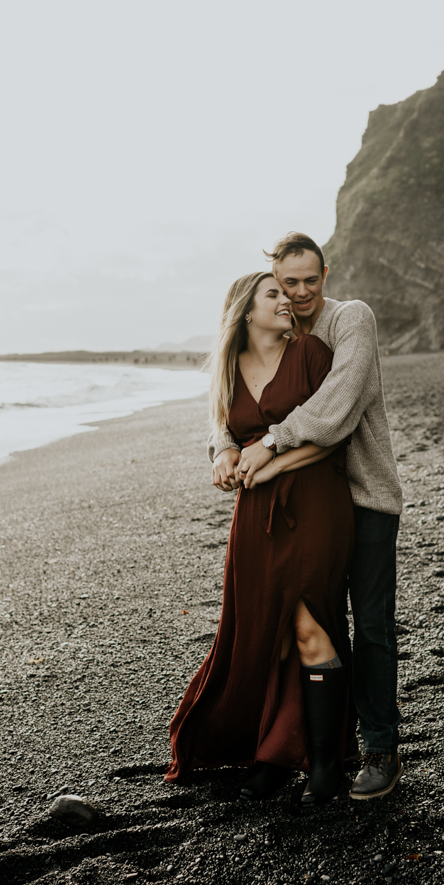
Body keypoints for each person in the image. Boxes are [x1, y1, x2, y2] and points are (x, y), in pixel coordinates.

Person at [213, 233, 405, 800]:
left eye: (309, 281)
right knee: (315, 627)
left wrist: (269, 449)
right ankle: (326, 752)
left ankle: (380, 749)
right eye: (286, 283)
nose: (298, 294)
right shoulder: (273, 335)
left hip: (362, 494)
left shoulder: (349, 321)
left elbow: (338, 405)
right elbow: (229, 404)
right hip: (304, 503)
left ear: (327, 274)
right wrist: (221, 449)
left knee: (370, 626)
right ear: (272, 277)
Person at [167, 271, 356, 805]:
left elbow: (335, 433)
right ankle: (275, 755)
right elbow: (223, 434)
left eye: (286, 293)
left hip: (317, 501)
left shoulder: (313, 354)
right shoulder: (228, 370)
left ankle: (326, 767)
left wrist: (271, 466)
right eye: (273, 294)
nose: (287, 300)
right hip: (254, 517)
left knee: (309, 626)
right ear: (246, 311)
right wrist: (224, 457)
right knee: (271, 635)